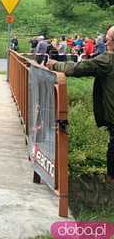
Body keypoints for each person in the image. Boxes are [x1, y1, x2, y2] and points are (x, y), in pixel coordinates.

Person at [47, 26, 114, 184]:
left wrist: (55, 64)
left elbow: (77, 68)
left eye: (109, 39)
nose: (106, 41)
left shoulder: (108, 61)